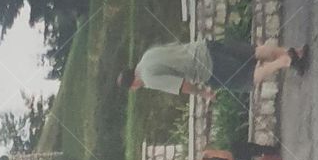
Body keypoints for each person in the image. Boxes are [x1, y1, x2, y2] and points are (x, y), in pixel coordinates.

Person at [117, 38, 308, 101]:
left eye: (133, 88)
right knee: (255, 52)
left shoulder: (149, 78)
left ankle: (285, 61)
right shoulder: (147, 55)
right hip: (206, 47)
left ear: (133, 83)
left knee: (247, 78)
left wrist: (203, 93)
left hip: (208, 68)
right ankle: (295, 53)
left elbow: (182, 85)